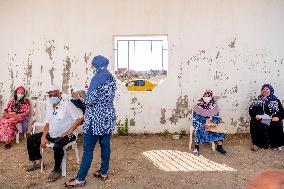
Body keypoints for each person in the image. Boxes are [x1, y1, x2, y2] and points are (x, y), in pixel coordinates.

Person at [65, 55, 117, 187]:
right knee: (105, 145)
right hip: (108, 117)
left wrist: (80, 96)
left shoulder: (96, 78)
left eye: (93, 66)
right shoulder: (111, 78)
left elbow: (89, 101)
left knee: (88, 149)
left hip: (95, 119)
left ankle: (80, 178)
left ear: (97, 65)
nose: (93, 68)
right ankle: (103, 172)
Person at [26, 85, 84, 182]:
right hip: (52, 133)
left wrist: (69, 131)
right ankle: (37, 162)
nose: (53, 97)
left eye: (55, 95)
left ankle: (57, 170)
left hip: (67, 135)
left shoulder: (67, 104)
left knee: (58, 145)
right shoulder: (49, 106)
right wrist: (44, 136)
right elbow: (47, 123)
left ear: (60, 94)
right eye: (50, 95)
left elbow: (80, 118)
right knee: (31, 138)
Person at [249, 84, 284, 151]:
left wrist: (278, 118)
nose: (265, 90)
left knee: (278, 123)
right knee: (254, 122)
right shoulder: (257, 100)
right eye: (263, 89)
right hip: (262, 119)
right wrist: (255, 115)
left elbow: (282, 112)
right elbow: (251, 110)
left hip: (271, 120)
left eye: (267, 89)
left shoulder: (276, 100)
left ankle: (276, 144)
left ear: (271, 90)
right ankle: (257, 144)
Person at [192, 90, 226, 155]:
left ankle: (219, 147)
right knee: (200, 127)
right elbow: (195, 117)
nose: (207, 97)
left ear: (211, 97)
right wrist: (204, 120)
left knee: (221, 128)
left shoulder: (214, 105)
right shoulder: (198, 104)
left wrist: (213, 120)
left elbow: (217, 116)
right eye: (205, 96)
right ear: (203, 96)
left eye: (209, 96)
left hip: (211, 122)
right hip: (200, 121)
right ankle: (196, 147)